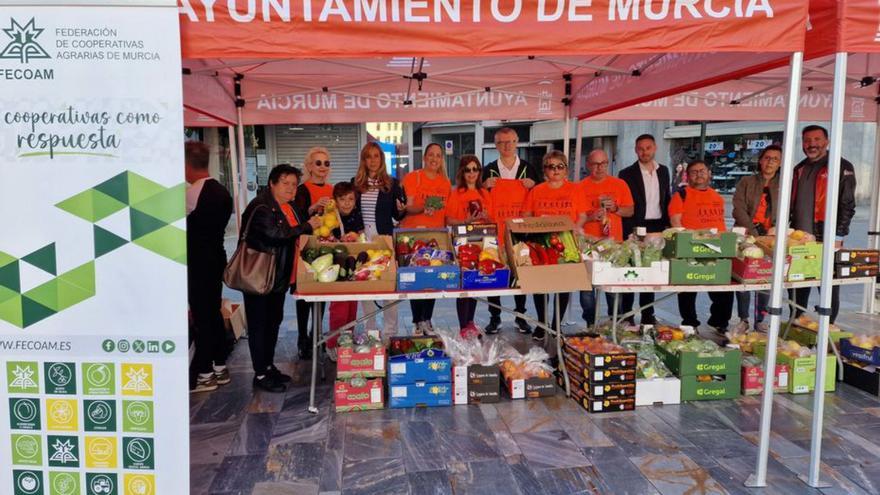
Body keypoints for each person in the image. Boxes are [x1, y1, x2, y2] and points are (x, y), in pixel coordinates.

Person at [241, 164, 322, 392]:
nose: (290, 188)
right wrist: (307, 226)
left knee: (273, 322)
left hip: (277, 277)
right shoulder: (262, 207)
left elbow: (295, 225)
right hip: (259, 276)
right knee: (259, 326)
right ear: (272, 184)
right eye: (285, 183)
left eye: (294, 184)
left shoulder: (288, 206)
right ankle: (260, 374)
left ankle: (268, 366)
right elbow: (276, 234)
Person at [790, 125, 857, 324]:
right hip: (799, 239)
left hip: (825, 237)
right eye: (807, 140)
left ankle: (828, 331)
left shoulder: (841, 166)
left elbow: (847, 204)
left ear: (826, 141)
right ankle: (796, 325)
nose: (812, 144)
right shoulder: (799, 169)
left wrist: (839, 236)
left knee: (827, 288)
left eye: (817, 139)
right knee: (797, 286)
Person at [481, 127, 542, 334]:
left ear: (517, 142)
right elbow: (478, 196)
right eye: (501, 142)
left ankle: (520, 315)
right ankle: (495, 316)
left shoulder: (529, 169)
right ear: (495, 145)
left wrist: (534, 186)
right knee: (493, 271)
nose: (506, 146)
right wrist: (483, 185)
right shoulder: (488, 170)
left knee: (521, 271)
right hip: (494, 231)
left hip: (520, 231)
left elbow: (540, 195)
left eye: (510, 142)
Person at [522, 150, 588, 341]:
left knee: (563, 284)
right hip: (541, 243)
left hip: (566, 244)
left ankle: (556, 324)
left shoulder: (575, 190)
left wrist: (576, 228)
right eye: (551, 166)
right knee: (540, 285)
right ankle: (542, 324)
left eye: (560, 166)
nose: (556, 170)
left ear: (566, 169)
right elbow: (526, 215)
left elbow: (583, 214)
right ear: (545, 170)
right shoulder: (536, 191)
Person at [185, 142, 234, 393]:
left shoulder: (192, 193)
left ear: (185, 164)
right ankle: (218, 365)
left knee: (203, 316)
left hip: (197, 262)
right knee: (213, 312)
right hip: (216, 257)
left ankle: (204, 372)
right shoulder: (222, 191)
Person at [669, 160, 734, 332]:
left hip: (716, 249)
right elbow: (675, 223)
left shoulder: (717, 197)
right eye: (694, 172)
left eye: (702, 170)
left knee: (724, 290)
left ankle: (718, 323)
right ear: (688, 176)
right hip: (690, 247)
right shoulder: (681, 195)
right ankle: (690, 323)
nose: (699, 174)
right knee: (687, 290)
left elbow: (720, 223)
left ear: (709, 173)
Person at [352, 142, 407, 342]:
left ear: (381, 160)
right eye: (368, 156)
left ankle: (390, 333)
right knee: (365, 287)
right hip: (362, 241)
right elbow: (351, 211)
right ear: (364, 160)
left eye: (376, 156)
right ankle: (370, 332)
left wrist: (401, 209)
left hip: (384, 240)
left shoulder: (391, 184)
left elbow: (397, 214)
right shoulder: (356, 183)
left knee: (388, 287)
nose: (373, 160)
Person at [618, 134, 671, 325]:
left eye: (648, 148)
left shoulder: (664, 171)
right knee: (631, 269)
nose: (644, 152)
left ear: (655, 148)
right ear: (635, 150)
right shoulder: (626, 174)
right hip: (635, 225)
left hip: (657, 225)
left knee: (651, 271)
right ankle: (627, 315)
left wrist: (669, 225)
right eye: (640, 148)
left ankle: (648, 314)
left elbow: (667, 198)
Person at [579, 149, 635, 327]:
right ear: (588, 165)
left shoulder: (620, 184)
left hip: (613, 243)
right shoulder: (579, 187)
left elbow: (630, 210)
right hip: (587, 244)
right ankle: (590, 323)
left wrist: (616, 208)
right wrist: (590, 216)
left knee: (613, 287)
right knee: (587, 288)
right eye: (595, 164)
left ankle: (615, 322)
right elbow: (573, 217)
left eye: (603, 163)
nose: (599, 167)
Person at [401, 142, 451, 335]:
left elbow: (446, 211)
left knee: (432, 278)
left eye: (438, 156)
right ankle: (416, 321)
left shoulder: (445, 182)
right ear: (424, 157)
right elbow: (408, 207)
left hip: (435, 235)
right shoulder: (413, 177)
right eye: (431, 155)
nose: (434, 159)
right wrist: (423, 208)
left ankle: (427, 320)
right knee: (417, 279)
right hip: (414, 235)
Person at [732, 145, 782, 332]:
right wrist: (753, 232)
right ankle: (743, 318)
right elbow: (738, 208)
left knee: (765, 277)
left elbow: (788, 209)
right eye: (767, 158)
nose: (770, 162)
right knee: (744, 276)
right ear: (760, 160)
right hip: (747, 234)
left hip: (771, 236)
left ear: (780, 163)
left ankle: (761, 318)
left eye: (775, 159)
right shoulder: (747, 181)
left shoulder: (784, 184)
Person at [293, 147, 333, 360]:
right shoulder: (302, 190)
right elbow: (297, 218)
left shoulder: (332, 188)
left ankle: (316, 333)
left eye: (326, 163)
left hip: (325, 246)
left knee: (322, 291)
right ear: (309, 166)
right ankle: (302, 338)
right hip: (307, 246)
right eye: (318, 163)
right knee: (305, 295)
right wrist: (313, 207)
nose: (323, 167)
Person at [447, 155, 494, 339]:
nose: (472, 173)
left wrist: (486, 218)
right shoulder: (456, 193)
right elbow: (448, 219)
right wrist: (466, 221)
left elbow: (492, 219)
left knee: (475, 282)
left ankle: (470, 322)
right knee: (464, 284)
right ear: (462, 172)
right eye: (468, 169)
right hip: (463, 242)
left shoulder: (485, 193)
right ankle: (462, 325)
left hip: (481, 242)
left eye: (475, 169)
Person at [326, 182, 365, 362]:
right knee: (339, 308)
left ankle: (346, 339)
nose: (347, 203)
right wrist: (336, 239)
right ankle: (332, 344)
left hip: (354, 265)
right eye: (342, 199)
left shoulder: (357, 215)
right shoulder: (331, 216)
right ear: (335, 201)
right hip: (336, 268)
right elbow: (324, 237)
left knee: (352, 306)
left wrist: (356, 236)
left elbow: (361, 234)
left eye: (350, 199)